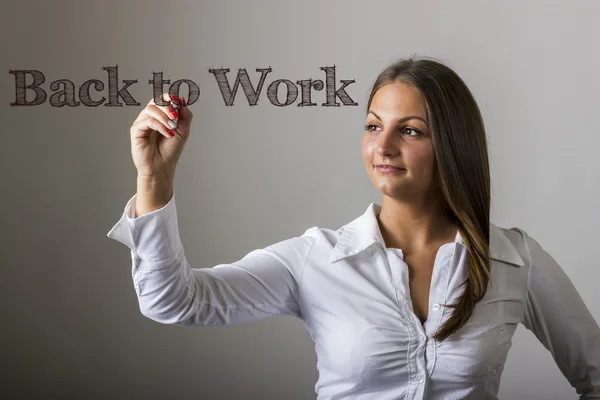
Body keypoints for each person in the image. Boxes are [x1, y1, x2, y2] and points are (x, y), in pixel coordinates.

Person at [106, 56, 600, 399]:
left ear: (452, 145)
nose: (382, 146)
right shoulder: (314, 259)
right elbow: (173, 302)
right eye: (372, 125)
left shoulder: (514, 259)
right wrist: (155, 177)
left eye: (409, 130)